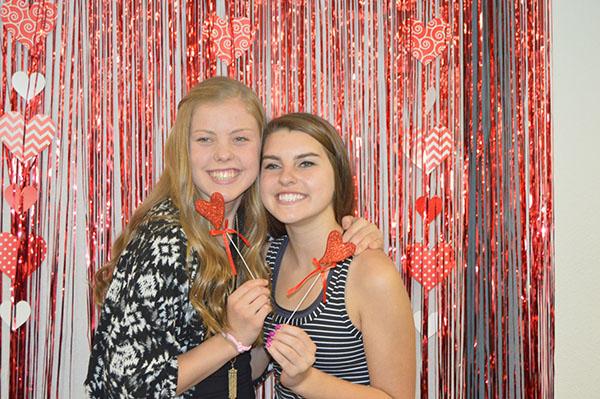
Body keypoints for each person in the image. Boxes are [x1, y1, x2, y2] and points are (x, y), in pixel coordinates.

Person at [85, 77, 382, 398]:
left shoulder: (256, 229)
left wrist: (360, 232)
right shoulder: (165, 240)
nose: (223, 154)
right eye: (205, 139)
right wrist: (231, 338)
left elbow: (236, 372)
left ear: (262, 150)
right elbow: (126, 387)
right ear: (182, 150)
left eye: (240, 139)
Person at [256, 113, 416, 398]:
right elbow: (257, 365)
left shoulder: (369, 272)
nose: (286, 177)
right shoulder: (265, 260)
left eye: (306, 163)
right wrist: (239, 336)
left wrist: (305, 380)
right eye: (272, 165)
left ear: (337, 174)